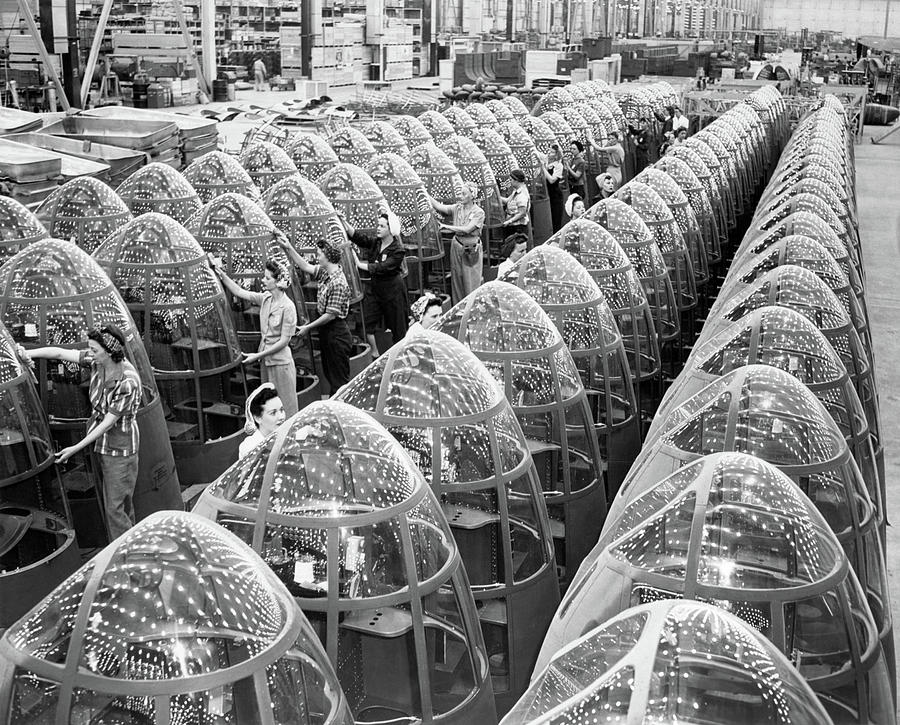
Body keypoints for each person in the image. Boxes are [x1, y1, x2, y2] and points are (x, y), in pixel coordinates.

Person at [22, 326, 141, 540]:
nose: (90, 354)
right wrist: (25, 353)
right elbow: (58, 353)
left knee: (115, 509)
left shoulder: (127, 382)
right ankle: (129, 543)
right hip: (102, 444)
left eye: (94, 350)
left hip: (120, 450)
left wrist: (75, 448)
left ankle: (122, 554)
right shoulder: (98, 362)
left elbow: (107, 423)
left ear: (109, 352)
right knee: (120, 505)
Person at [212, 257, 299, 418]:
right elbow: (239, 292)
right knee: (269, 408)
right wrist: (220, 274)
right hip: (266, 363)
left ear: (278, 281)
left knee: (286, 409)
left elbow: (284, 341)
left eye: (267, 278)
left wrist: (257, 356)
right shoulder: (266, 298)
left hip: (281, 365)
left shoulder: (288, 307)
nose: (263, 280)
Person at [278, 233, 353, 394]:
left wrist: (308, 328)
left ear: (328, 257)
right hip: (328, 332)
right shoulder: (326, 273)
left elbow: (330, 315)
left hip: (336, 333)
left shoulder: (338, 282)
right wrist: (288, 247)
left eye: (319, 254)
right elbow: (305, 266)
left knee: (338, 381)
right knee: (330, 374)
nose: (317, 257)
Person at [340, 210, 408, 355]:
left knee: (398, 327)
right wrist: (344, 222)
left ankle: (400, 354)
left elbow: (382, 267)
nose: (378, 228)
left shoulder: (398, 250)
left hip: (393, 292)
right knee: (367, 321)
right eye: (378, 225)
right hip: (376, 289)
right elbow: (359, 238)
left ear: (391, 230)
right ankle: (375, 354)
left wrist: (360, 264)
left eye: (382, 226)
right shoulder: (376, 243)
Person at [429, 182, 485, 304]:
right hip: (457, 246)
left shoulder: (479, 212)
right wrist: (423, 192)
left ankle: (471, 308)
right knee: (457, 279)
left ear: (472, 196)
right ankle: (459, 309)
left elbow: (467, 229)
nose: (461, 196)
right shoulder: (457, 208)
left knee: (470, 282)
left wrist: (447, 227)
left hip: (471, 250)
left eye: (464, 194)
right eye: (460, 193)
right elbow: (439, 207)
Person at [239, 383, 286, 458]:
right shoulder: (250, 447)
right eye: (273, 413)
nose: (281, 417)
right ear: (258, 418)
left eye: (281, 410)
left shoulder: (287, 436)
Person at [500, 169, 532, 240]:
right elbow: (508, 200)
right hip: (513, 226)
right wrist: (497, 197)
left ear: (516, 180)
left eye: (511, 180)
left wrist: (509, 221)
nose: (510, 182)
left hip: (518, 228)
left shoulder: (522, 194)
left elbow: (522, 213)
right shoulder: (516, 191)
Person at [542, 145, 566, 232]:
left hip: (556, 196)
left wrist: (543, 169)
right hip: (548, 194)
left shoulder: (559, 166)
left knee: (556, 220)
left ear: (557, 155)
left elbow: (552, 180)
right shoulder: (547, 162)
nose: (549, 153)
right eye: (549, 151)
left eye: (552, 152)